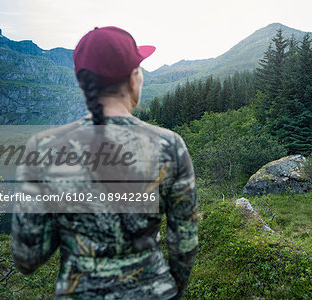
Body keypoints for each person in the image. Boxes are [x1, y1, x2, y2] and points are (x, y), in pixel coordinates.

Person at [11, 26, 198, 299]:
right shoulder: (170, 145)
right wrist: (172, 291)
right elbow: (184, 244)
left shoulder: (43, 148)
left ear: (83, 83)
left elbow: (27, 257)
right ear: (134, 79)